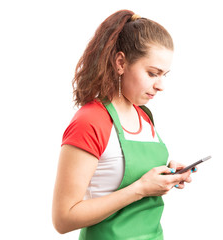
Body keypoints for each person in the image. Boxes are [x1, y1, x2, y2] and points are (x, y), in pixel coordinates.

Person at [52, 9, 195, 240]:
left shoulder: (144, 117)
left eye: (164, 75)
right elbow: (63, 218)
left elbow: (132, 175)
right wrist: (140, 189)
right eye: (152, 73)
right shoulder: (90, 121)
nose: (160, 85)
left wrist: (168, 173)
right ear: (120, 62)